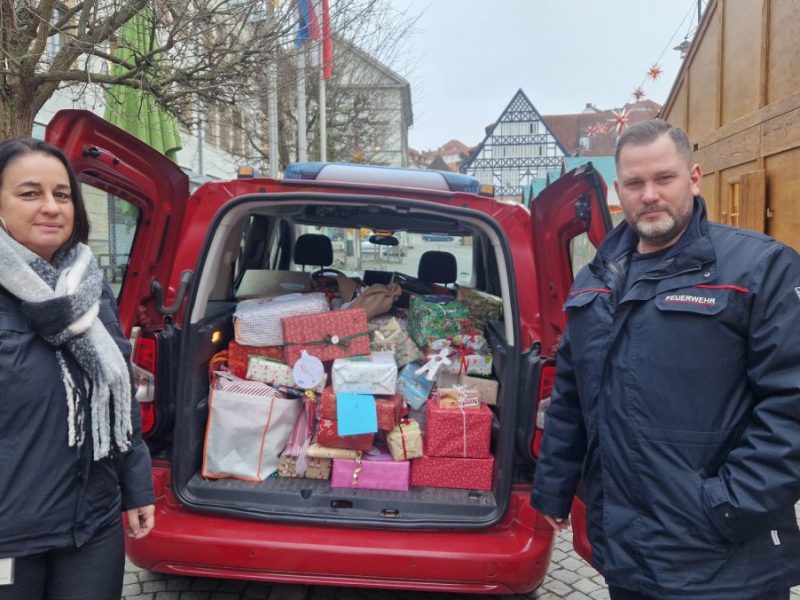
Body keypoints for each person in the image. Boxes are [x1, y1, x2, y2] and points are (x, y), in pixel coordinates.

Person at [531, 119, 800, 600]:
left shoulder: (759, 269)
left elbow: (792, 406)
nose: (649, 194)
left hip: (726, 561)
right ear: (619, 191)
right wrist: (554, 486)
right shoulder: (594, 281)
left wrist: (726, 505)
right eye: (635, 183)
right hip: (627, 558)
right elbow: (571, 395)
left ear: (694, 179)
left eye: (664, 178)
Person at [0, 138, 155, 599]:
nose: (50, 207)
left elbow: (118, 389)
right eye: (29, 194)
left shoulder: (87, 286)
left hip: (93, 521)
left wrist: (136, 486)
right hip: (10, 532)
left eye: (62, 195)